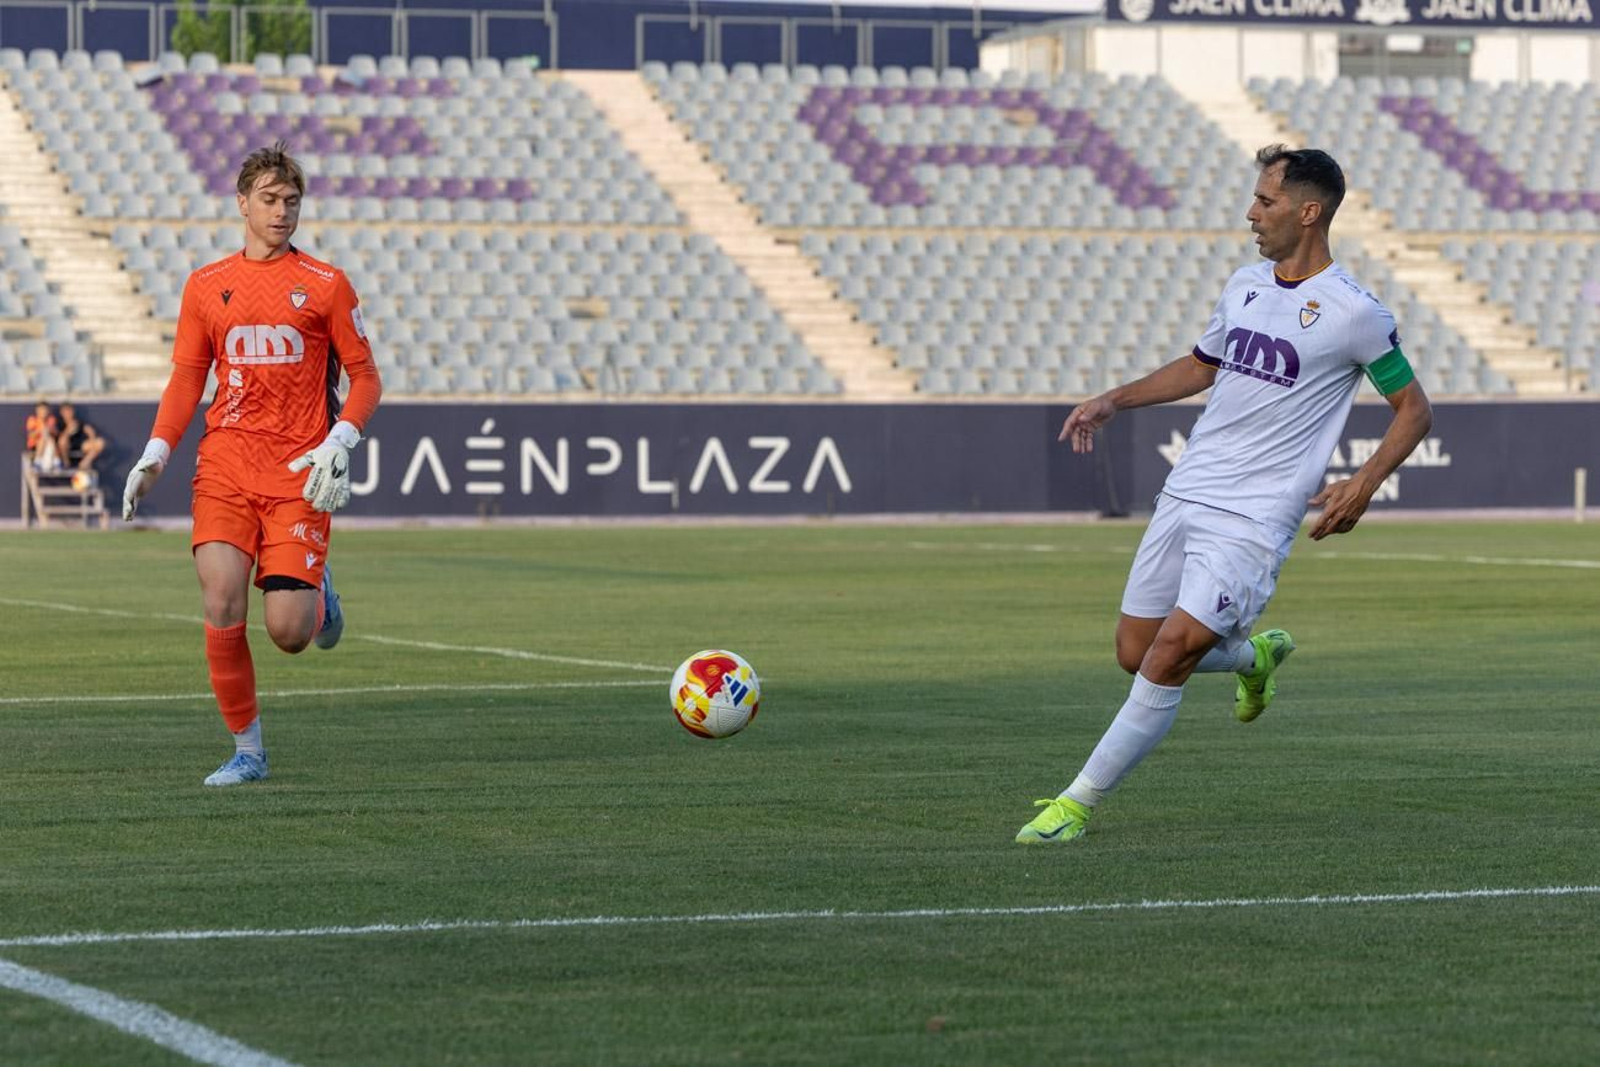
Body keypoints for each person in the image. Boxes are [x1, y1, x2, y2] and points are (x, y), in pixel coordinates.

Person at [1016, 145, 1433, 844]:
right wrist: (1115, 398)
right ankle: (1253, 656)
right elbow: (1203, 365)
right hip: (1188, 491)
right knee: (1134, 648)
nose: (1251, 213)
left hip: (1255, 514)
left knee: (1170, 652)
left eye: (1265, 202)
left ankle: (1074, 802)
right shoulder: (1244, 283)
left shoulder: (1355, 312)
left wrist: (1364, 484)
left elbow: (1414, 409)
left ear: (1309, 211)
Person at [121, 141, 382, 787]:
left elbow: (366, 379)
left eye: (291, 200)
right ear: (242, 203)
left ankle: (318, 592)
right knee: (220, 597)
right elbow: (186, 380)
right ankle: (248, 751)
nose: (282, 210)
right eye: (269, 199)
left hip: (298, 474)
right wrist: (156, 453)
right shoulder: (207, 285)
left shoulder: (324, 284)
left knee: (289, 633)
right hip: (226, 466)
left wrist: (338, 440)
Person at [55, 402, 107, 474]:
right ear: (61, 413)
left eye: (69, 411)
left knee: (100, 442)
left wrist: (92, 441)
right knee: (62, 442)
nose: (68, 413)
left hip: (80, 445)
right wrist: (68, 430)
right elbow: (60, 440)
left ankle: (83, 464)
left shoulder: (79, 422)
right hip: (66, 447)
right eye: (65, 411)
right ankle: (66, 464)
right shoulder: (59, 424)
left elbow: (90, 431)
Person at [24, 399, 61, 471]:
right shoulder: (32, 419)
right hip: (35, 445)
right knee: (44, 438)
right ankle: (37, 462)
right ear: (37, 411)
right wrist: (40, 430)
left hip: (50, 445)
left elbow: (56, 433)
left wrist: (51, 429)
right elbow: (30, 435)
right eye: (41, 410)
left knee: (51, 439)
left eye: (45, 410)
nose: (43, 412)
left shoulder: (51, 419)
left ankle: (57, 463)